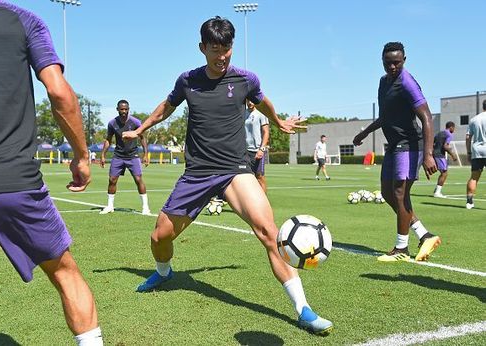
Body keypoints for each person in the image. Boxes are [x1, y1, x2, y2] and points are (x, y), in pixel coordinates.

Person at [122, 16, 333, 335]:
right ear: (202, 48)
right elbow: (167, 106)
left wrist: (278, 122)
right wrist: (141, 128)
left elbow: (264, 102)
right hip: (197, 173)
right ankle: (164, 272)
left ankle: (303, 308)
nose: (222, 56)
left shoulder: (246, 79)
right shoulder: (188, 80)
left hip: (235, 170)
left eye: (227, 49)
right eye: (215, 49)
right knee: (159, 237)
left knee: (269, 232)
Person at [0, 2, 103, 344]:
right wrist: (82, 156)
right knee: (66, 273)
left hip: (8, 177)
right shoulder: (23, 20)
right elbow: (58, 90)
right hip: (10, 179)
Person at [353, 42, 440, 262]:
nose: (392, 67)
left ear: (404, 60)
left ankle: (402, 249)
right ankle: (424, 235)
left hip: (411, 144)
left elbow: (427, 117)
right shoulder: (383, 83)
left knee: (401, 193)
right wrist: (364, 133)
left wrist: (428, 154)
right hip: (394, 145)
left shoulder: (407, 83)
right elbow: (386, 117)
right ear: (382, 61)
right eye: (388, 63)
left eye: (396, 63)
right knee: (387, 193)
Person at [100, 100, 151, 215]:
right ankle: (110, 206)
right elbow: (108, 139)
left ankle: (145, 207)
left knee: (138, 180)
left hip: (133, 156)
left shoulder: (135, 122)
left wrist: (146, 154)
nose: (124, 111)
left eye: (126, 109)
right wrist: (103, 154)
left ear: (128, 109)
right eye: (122, 109)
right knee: (112, 180)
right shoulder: (112, 123)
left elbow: (142, 138)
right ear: (117, 109)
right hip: (118, 156)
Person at [245, 99, 270, 192]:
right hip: (245, 151)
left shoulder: (261, 114)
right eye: (248, 101)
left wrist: (262, 149)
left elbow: (266, 132)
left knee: (260, 176)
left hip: (257, 151)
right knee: (247, 177)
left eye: (252, 101)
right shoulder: (242, 114)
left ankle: (264, 203)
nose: (250, 103)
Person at [465, 100, 486, 209]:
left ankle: (469, 202)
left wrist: (468, 152)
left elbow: (468, 137)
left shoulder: (474, 119)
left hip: (477, 151)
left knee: (474, 177)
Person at [433, 121, 458, 198]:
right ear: (451, 127)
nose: (454, 130)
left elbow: (432, 143)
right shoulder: (449, 134)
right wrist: (453, 155)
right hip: (440, 155)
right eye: (454, 128)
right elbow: (446, 146)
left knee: (443, 173)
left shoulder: (439, 133)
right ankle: (437, 193)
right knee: (444, 173)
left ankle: (436, 190)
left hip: (434, 154)